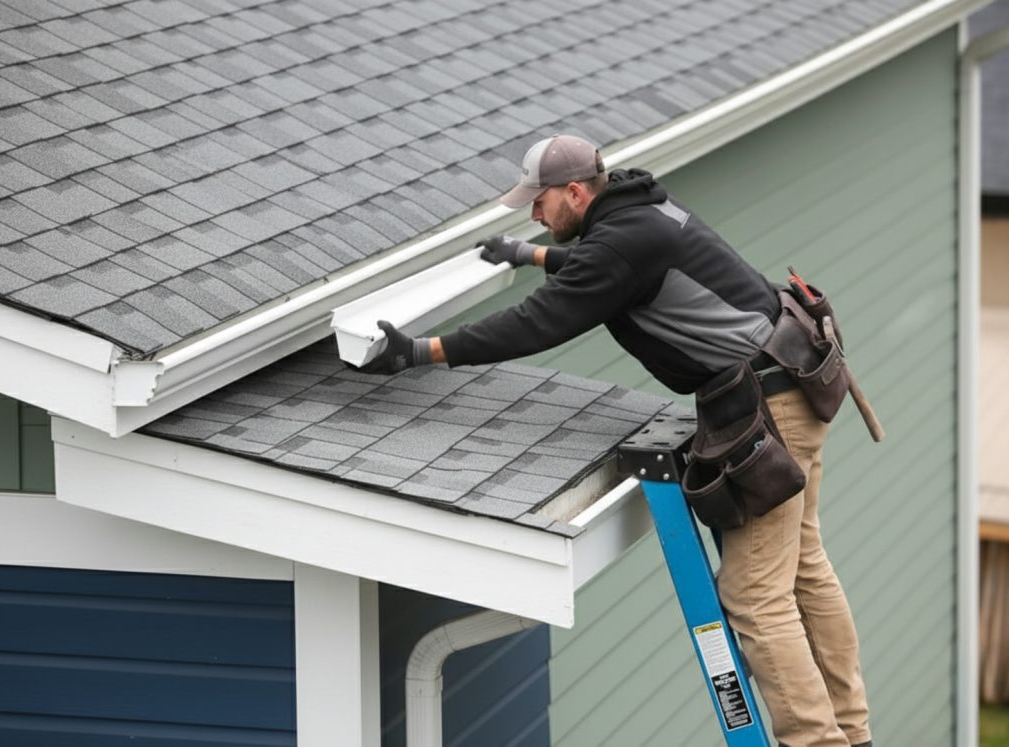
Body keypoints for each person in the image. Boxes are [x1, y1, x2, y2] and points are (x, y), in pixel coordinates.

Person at [360, 134, 872, 747]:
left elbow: (539, 320)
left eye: (540, 203)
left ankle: (817, 741)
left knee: (756, 598)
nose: (534, 215)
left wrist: (422, 351)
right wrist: (528, 255)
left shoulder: (623, 240)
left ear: (575, 191)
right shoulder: (639, 207)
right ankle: (853, 731)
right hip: (794, 384)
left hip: (770, 414)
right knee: (804, 570)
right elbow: (610, 267)